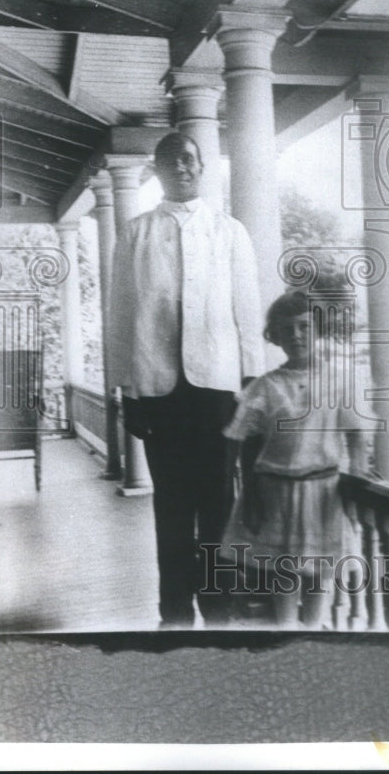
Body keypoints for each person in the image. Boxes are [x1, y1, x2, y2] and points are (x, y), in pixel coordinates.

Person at [108, 132, 264, 627]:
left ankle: (218, 609)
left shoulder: (230, 231)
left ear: (203, 167)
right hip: (159, 393)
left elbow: (247, 311)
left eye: (192, 159)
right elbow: (121, 316)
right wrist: (126, 392)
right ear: (156, 169)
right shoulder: (136, 233)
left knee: (219, 506)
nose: (184, 166)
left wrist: (252, 386)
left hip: (219, 390)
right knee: (171, 509)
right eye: (172, 160)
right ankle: (173, 613)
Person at [219, 288, 371, 629]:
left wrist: (358, 472)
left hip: (323, 492)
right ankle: (287, 629)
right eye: (287, 329)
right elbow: (243, 443)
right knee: (284, 571)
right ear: (275, 335)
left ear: (318, 328)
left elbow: (356, 432)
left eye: (304, 326)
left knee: (320, 570)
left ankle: (313, 627)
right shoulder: (265, 386)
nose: (296, 335)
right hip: (275, 490)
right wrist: (251, 492)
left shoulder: (339, 380)